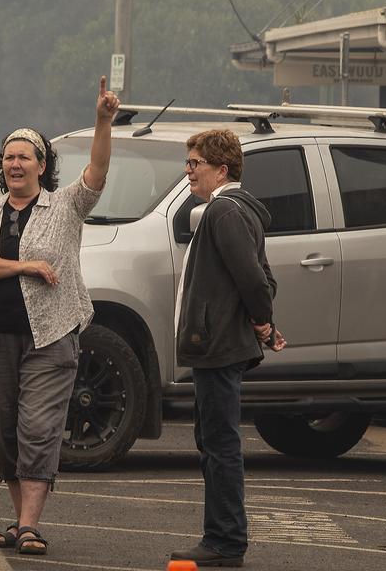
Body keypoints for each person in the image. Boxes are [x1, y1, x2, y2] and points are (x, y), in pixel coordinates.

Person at [0, 76, 119, 556]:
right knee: (2, 431)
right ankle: (19, 521)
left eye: (26, 156)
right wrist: (22, 266)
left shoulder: (65, 206)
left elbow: (97, 170)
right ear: (2, 165)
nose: (16, 163)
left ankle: (29, 524)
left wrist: (103, 122)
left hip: (51, 337)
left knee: (38, 428)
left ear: (43, 165)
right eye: (10, 156)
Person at [169, 129, 285, 568]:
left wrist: (261, 320)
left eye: (194, 163)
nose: (188, 171)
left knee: (219, 444)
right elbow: (264, 278)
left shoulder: (223, 211)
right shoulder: (232, 212)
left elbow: (255, 280)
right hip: (219, 344)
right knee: (214, 440)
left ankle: (225, 541)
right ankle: (221, 537)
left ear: (221, 169)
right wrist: (265, 324)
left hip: (218, 346)